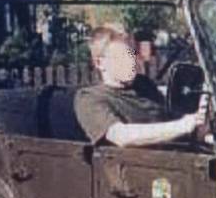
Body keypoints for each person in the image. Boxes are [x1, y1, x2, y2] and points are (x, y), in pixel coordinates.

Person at [75, 24, 206, 147]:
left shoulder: (144, 85)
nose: (132, 61)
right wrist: (182, 126)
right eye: (122, 56)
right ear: (100, 63)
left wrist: (198, 126)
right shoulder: (89, 98)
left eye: (133, 54)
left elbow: (168, 120)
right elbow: (120, 136)